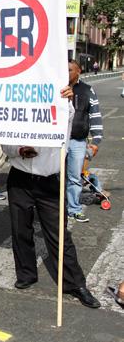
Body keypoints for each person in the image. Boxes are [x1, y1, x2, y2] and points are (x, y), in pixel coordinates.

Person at [1, 86, 100, 309]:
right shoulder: (16, 108)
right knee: (20, 229)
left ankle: (75, 283)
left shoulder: (61, 107)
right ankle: (26, 273)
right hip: (20, 179)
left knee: (58, 234)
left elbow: (69, 116)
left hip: (50, 181)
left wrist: (67, 100)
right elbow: (5, 143)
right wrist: (19, 149)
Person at [66, 60, 102, 223]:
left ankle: (74, 209)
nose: (67, 73)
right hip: (59, 142)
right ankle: (53, 209)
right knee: (54, 178)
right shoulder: (57, 87)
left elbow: (95, 114)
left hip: (78, 142)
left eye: (70, 70)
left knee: (75, 177)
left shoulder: (87, 90)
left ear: (78, 71)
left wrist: (96, 140)